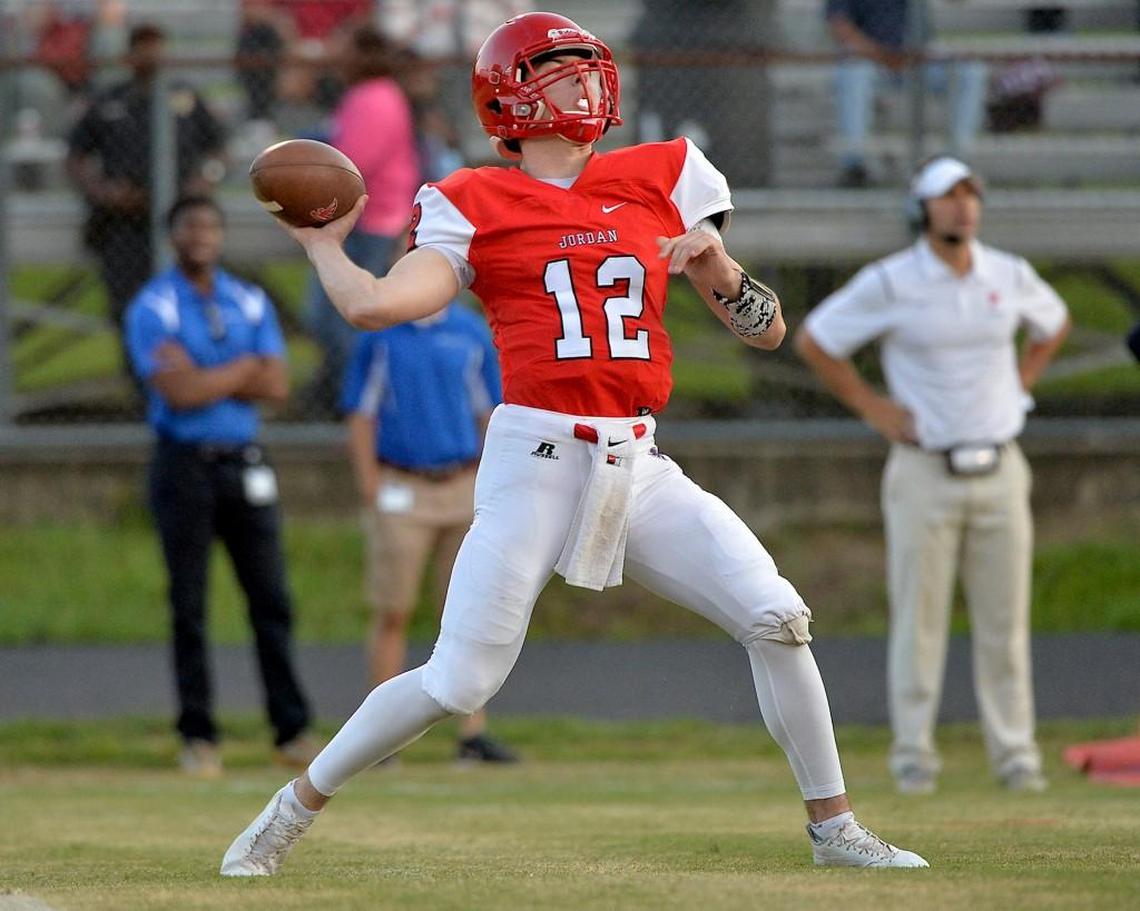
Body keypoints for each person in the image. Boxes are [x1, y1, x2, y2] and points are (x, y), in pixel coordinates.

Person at [220, 12, 929, 875]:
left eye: (588, 67)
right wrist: (324, 248)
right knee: (458, 682)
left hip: (640, 459)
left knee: (776, 616)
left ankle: (835, 827)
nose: (586, 84)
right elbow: (375, 305)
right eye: (559, 71)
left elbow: (769, 330)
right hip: (536, 460)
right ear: (510, 97)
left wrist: (718, 269)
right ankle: (289, 810)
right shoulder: (471, 198)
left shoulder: (665, 172)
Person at [794, 156, 1071, 795]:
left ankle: (1016, 756)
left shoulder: (1007, 272)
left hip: (1001, 464)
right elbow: (817, 340)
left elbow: (1052, 325)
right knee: (919, 619)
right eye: (949, 197)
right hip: (925, 469)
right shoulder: (892, 282)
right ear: (923, 208)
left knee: (1007, 623)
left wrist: (1019, 386)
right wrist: (873, 408)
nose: (963, 207)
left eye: (971, 195)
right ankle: (914, 756)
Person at [125, 196, 320, 779]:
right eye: (191, 225)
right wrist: (243, 370)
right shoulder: (153, 305)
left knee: (271, 600)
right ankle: (198, 734)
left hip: (244, 460)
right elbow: (177, 394)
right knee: (190, 605)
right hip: (184, 464)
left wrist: (211, 374)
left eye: (211, 225)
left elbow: (278, 381)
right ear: (173, 234)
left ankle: (290, 729)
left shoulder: (248, 297)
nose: (203, 235)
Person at [342, 303, 517, 763]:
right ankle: (378, 738)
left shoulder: (468, 330)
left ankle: (472, 734)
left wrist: (493, 479)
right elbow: (360, 412)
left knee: (468, 612)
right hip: (404, 486)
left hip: (461, 482)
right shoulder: (381, 333)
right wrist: (370, 487)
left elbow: (490, 410)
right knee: (393, 610)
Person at [66, 23, 227, 389]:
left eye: (158, 47)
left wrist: (200, 185)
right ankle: (142, 385)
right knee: (129, 306)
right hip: (123, 225)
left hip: (179, 224)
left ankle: (192, 382)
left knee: (187, 302)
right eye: (143, 48)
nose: (152, 56)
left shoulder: (184, 97)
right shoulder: (110, 101)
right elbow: (75, 157)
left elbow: (218, 150)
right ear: (129, 55)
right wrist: (103, 192)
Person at [303, 24, 421, 416]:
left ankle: (364, 402)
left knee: (338, 317)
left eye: (347, 49)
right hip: (366, 219)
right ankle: (350, 396)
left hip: (370, 220)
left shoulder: (374, 97)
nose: (338, 57)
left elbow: (352, 163)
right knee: (330, 316)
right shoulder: (366, 95)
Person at [826, 0, 987, 187]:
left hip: (917, 59)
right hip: (871, 61)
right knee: (853, 71)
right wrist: (883, 56)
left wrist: (907, 58)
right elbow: (840, 26)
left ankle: (957, 162)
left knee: (970, 72)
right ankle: (854, 163)